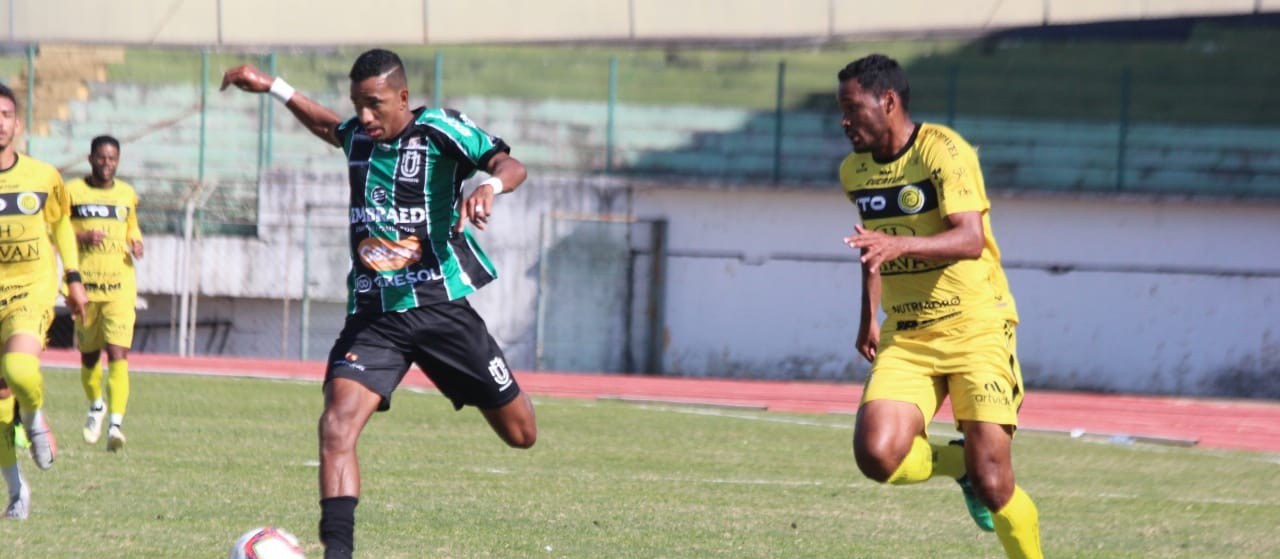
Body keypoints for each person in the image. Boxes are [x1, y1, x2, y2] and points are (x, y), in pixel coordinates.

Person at [220, 49, 537, 558]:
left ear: (403, 98)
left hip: (440, 307)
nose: (364, 117)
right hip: (374, 315)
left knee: (522, 434)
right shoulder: (360, 139)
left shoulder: (439, 130)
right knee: (336, 423)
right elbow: (328, 126)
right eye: (357, 105)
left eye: (375, 104)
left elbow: (508, 162)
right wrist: (274, 87)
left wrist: (490, 185)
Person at [837, 54, 1042, 558]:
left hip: (976, 325)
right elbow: (874, 247)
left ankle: (982, 482)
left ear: (888, 102)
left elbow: (970, 238)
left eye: (852, 108)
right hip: (907, 333)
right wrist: (869, 315)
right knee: (878, 456)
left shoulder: (942, 150)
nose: (844, 121)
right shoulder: (854, 171)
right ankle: (958, 466)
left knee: (996, 484)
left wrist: (898, 245)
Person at [0, 82, 89, 517]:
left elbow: (60, 227)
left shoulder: (43, 176)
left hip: (30, 289)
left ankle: (35, 418)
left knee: (18, 367)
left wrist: (73, 278)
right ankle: (17, 491)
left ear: (17, 124)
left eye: (4, 114)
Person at [66, 134, 144, 451]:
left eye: (112, 158)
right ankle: (96, 404)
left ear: (118, 160)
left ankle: (115, 425)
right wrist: (82, 234)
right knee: (88, 358)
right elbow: (54, 227)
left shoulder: (127, 194)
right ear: (90, 158)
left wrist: (136, 241)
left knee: (118, 354)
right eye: (101, 158)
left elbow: (132, 226)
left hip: (119, 286)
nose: (107, 164)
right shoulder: (72, 191)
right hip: (86, 288)